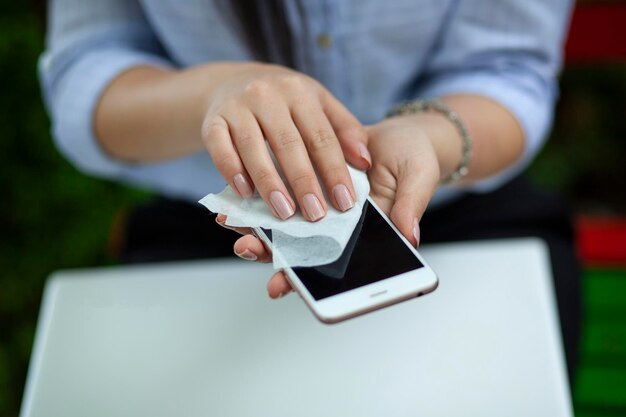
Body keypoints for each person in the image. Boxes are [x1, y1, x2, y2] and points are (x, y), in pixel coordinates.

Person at [40, 0, 579, 381]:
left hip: (456, 210)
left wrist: (429, 139)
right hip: (214, 230)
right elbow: (86, 74)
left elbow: (509, 70)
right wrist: (217, 91)